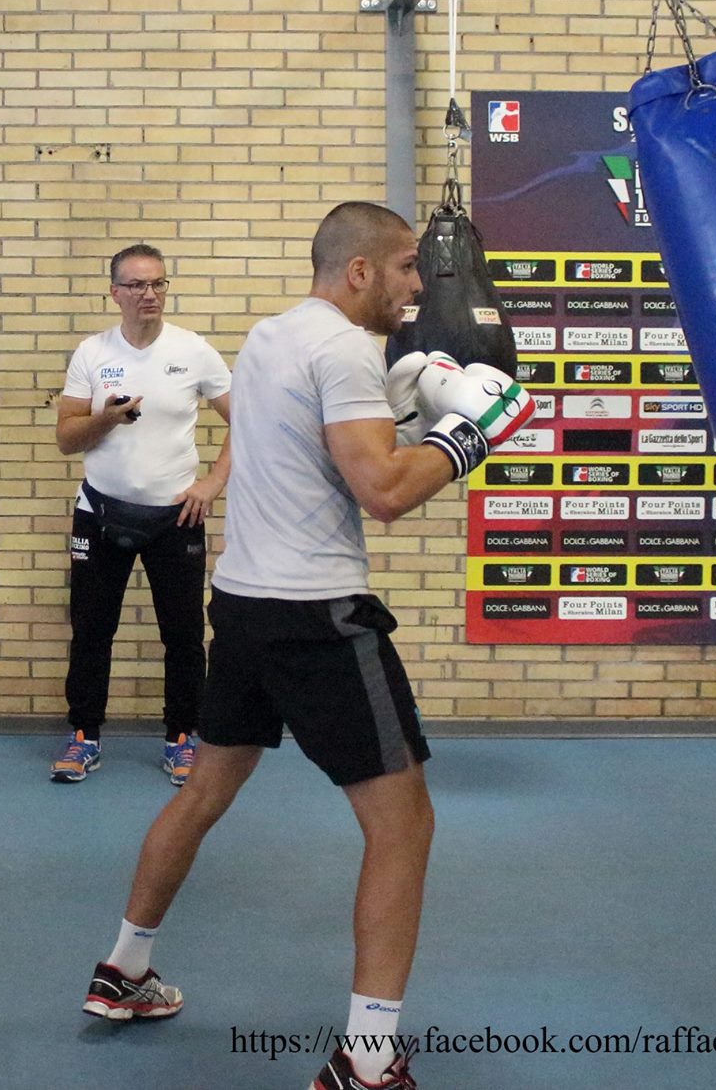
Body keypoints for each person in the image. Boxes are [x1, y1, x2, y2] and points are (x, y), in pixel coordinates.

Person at [77, 203, 533, 1090]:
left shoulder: (273, 334)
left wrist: (400, 412)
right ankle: (367, 1061)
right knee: (403, 822)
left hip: (243, 602)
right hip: (317, 614)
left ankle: (124, 969)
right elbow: (383, 493)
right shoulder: (347, 350)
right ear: (358, 270)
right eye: (406, 268)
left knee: (206, 788)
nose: (417, 286)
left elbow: (312, 452)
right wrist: (469, 433)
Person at [51, 244, 232, 787]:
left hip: (175, 519)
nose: (148, 294)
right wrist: (105, 419)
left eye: (157, 284)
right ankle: (84, 736)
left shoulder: (194, 351)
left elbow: (249, 422)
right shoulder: (92, 353)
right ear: (115, 292)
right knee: (90, 631)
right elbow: (65, 438)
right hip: (100, 513)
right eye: (135, 285)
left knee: (182, 635)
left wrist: (212, 484)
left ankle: (182, 738)